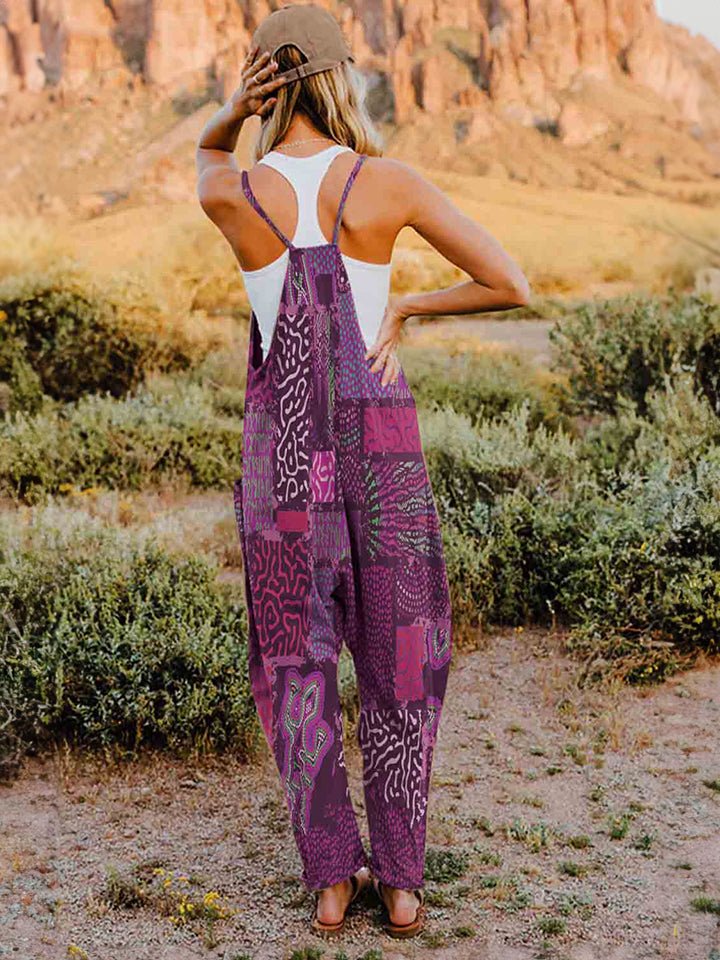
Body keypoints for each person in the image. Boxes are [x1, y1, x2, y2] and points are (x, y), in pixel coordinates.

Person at [196, 3, 529, 941]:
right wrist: (409, 306)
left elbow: (205, 155)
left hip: (282, 460)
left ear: (267, 82)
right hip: (382, 453)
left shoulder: (234, 192)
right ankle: (404, 882)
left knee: (293, 663)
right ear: (342, 77)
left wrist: (233, 111)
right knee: (402, 652)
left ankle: (332, 881)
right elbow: (510, 281)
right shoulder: (387, 182)